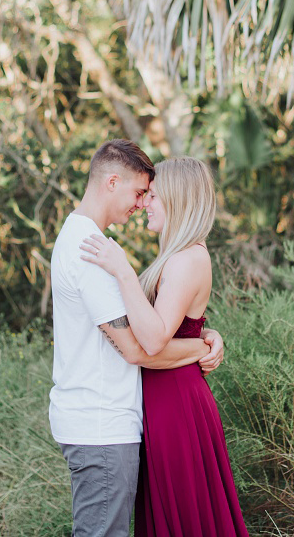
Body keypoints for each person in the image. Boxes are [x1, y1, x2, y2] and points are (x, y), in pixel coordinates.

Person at [49, 140, 225, 537]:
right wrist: (201, 346)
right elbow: (138, 346)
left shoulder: (97, 244)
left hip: (151, 411)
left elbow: (156, 330)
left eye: (152, 195)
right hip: (105, 421)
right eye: (141, 192)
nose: (143, 202)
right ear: (112, 181)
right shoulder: (90, 248)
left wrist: (203, 333)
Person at [80, 156, 249, 537]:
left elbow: (154, 340)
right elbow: (176, 327)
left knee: (184, 518)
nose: (143, 204)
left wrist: (122, 269)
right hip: (164, 400)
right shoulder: (179, 257)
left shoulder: (187, 258)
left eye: (152, 195)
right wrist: (206, 337)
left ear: (177, 198)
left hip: (176, 406)